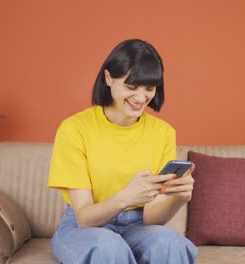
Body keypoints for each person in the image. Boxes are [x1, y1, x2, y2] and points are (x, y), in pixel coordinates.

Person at [48, 39, 198, 264]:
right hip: (85, 226)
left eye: (149, 88)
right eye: (131, 86)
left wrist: (178, 198)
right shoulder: (75, 129)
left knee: (171, 244)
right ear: (109, 78)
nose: (141, 98)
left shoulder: (163, 133)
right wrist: (127, 196)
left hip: (139, 226)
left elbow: (152, 217)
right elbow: (85, 217)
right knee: (108, 248)